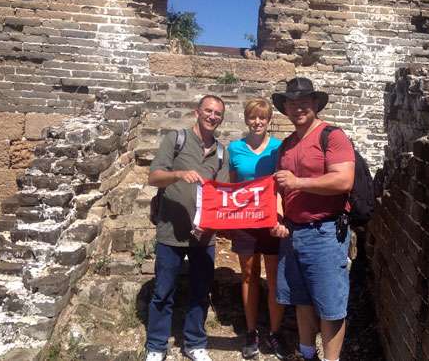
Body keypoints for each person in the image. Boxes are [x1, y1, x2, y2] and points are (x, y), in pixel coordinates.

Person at [269, 78, 355, 361]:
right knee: (302, 300)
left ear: (316, 104)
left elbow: (343, 180)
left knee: (331, 307)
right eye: (292, 103)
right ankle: (307, 355)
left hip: (325, 231)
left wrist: (299, 182)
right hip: (293, 232)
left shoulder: (332, 136)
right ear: (286, 108)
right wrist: (280, 217)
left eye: (304, 102)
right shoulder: (286, 146)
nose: (298, 108)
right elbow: (281, 188)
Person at [145, 95, 229, 361]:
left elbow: (222, 194)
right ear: (197, 112)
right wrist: (179, 175)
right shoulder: (176, 139)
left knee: (200, 292)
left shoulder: (221, 152)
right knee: (163, 292)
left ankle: (194, 343)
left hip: (204, 237)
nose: (212, 116)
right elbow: (154, 177)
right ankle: (156, 347)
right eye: (208, 111)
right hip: (171, 232)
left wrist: (213, 226)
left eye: (217, 113)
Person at [227, 98, 289, 360]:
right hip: (245, 222)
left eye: (262, 117)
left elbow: (284, 186)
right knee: (249, 274)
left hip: (272, 220)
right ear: (246, 119)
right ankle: (251, 331)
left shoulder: (279, 148)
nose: (257, 121)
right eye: (253, 117)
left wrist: (283, 218)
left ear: (270, 121)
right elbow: (231, 187)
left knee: (275, 279)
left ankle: (274, 333)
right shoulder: (234, 149)